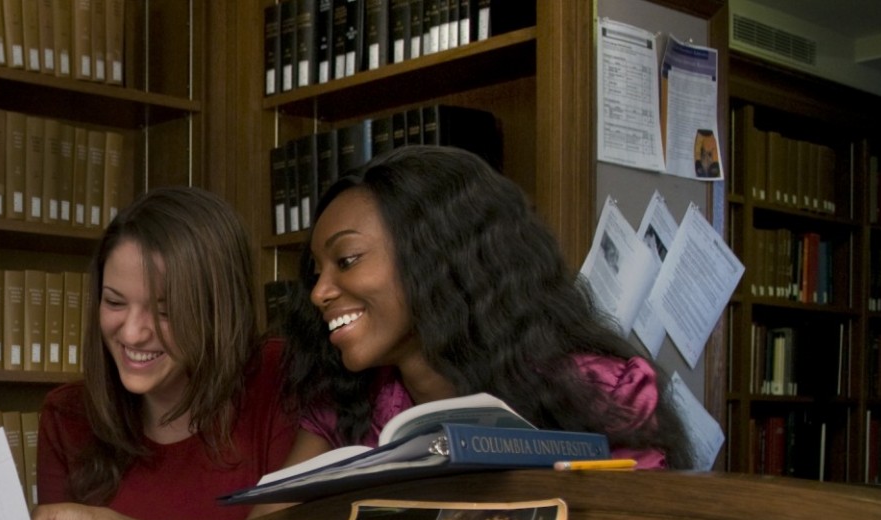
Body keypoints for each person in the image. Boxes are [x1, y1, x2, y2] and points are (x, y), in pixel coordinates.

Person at [276, 144, 692, 470]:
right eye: (316, 272)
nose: (319, 292)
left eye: (346, 260)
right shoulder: (349, 400)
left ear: (438, 258)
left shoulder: (603, 391)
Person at [30, 188, 297, 520]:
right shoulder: (68, 415)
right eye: (115, 302)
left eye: (166, 312)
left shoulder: (280, 381)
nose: (133, 332)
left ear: (217, 308)